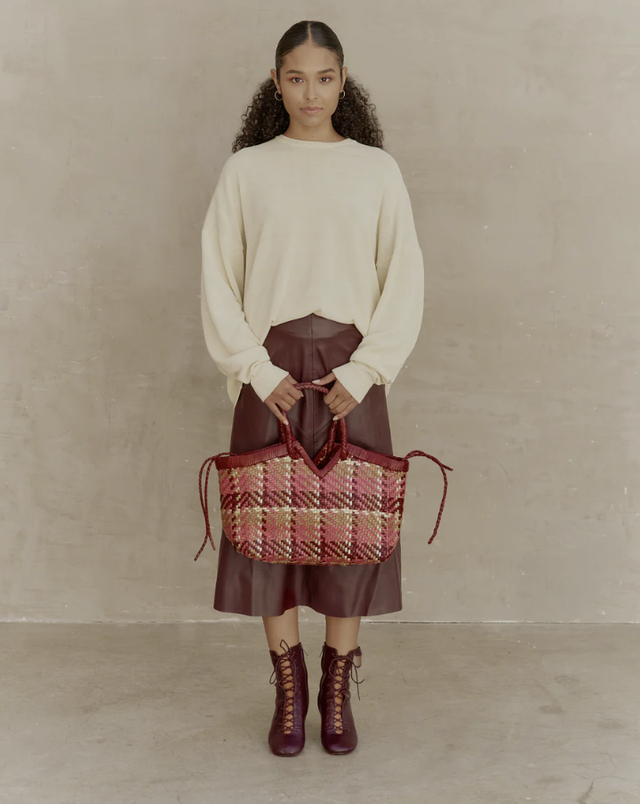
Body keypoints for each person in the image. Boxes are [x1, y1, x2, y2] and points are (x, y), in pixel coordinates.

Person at [199, 20, 424, 757]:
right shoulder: (247, 171)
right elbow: (218, 278)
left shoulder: (376, 170)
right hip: (270, 374)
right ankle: (289, 688)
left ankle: (335, 688)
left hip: (350, 376)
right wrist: (256, 369)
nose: (310, 93)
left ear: (343, 80)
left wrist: (365, 370)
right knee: (267, 527)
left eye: (324, 78)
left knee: (352, 527)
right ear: (276, 83)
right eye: (296, 78)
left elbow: (404, 278)